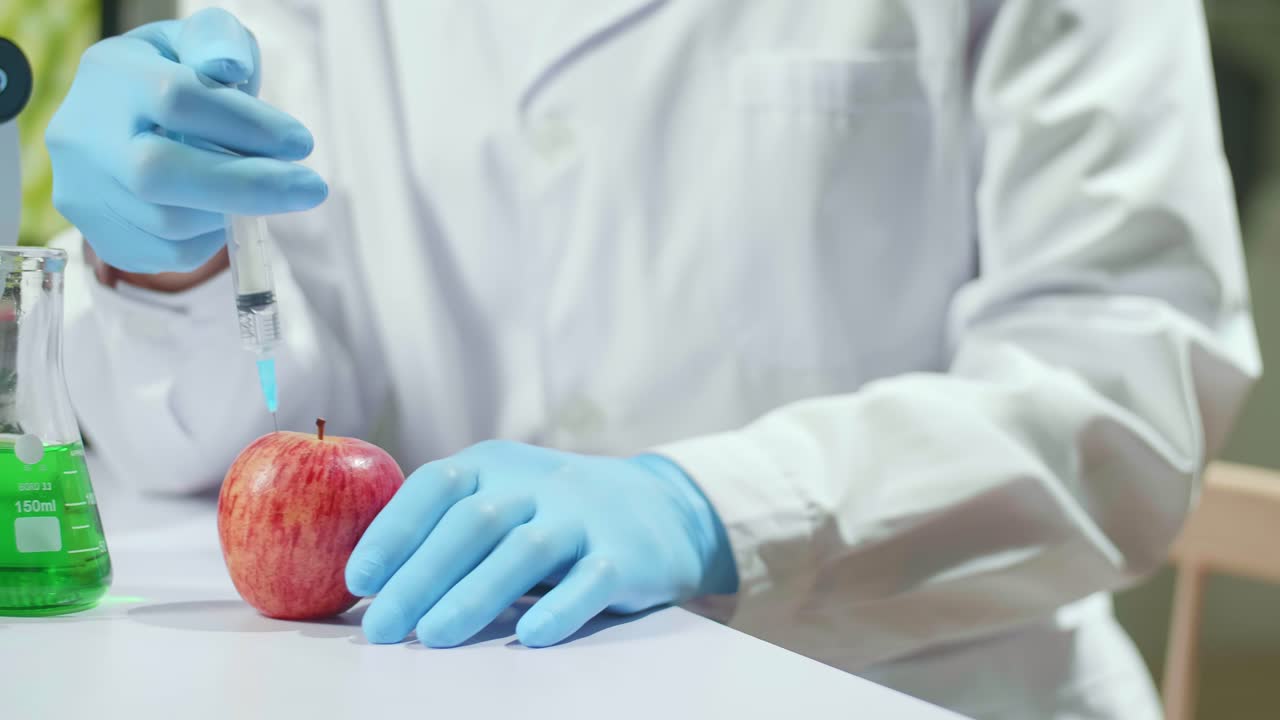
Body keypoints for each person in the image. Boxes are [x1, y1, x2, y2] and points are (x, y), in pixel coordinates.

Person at [45, 2, 1258, 718]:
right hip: (435, 684)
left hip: (907, 684)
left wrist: (711, 510)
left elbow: (1124, 387)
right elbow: (229, 425)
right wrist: (171, 273)